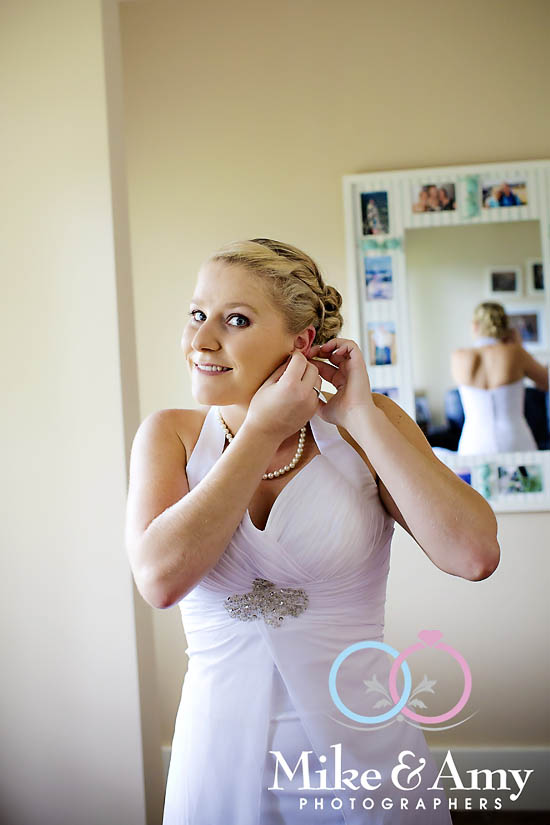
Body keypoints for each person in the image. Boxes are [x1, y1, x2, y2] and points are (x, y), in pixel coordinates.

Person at [125, 239, 500, 824]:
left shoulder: (364, 425)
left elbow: (474, 555)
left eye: (236, 319)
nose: (201, 340)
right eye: (198, 313)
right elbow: (159, 581)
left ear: (300, 342)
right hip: (217, 766)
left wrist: (360, 417)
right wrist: (259, 433)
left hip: (370, 763)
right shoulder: (169, 436)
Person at [451, 301, 549, 455]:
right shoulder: (516, 353)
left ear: (475, 325)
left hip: (473, 443)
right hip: (514, 440)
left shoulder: (459, 356)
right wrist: (519, 345)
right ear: (505, 327)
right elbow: (546, 382)